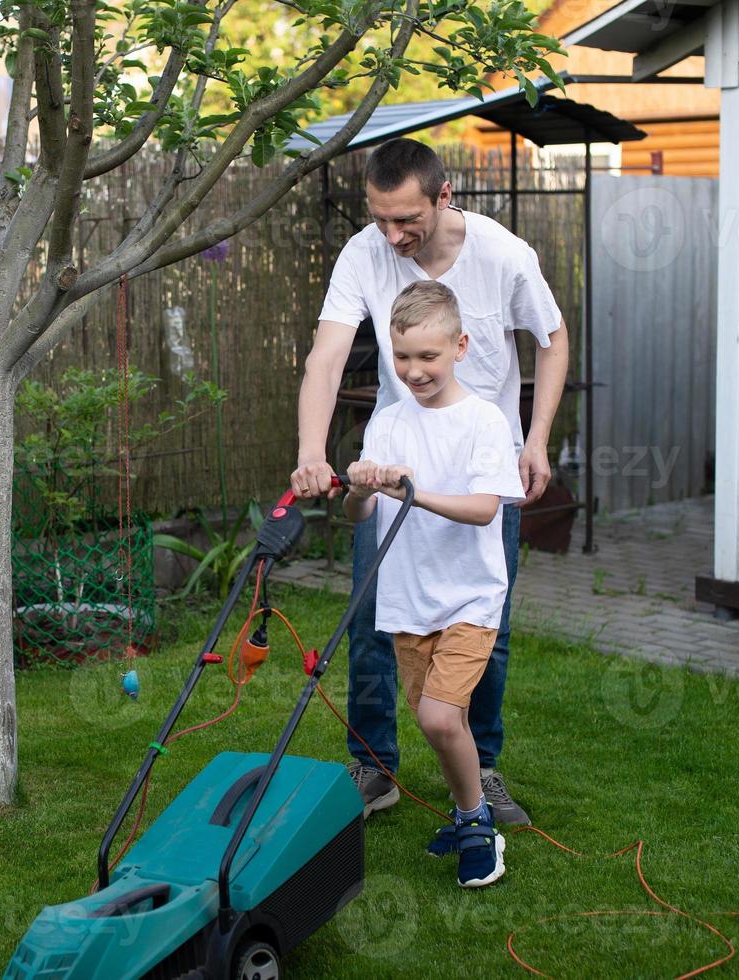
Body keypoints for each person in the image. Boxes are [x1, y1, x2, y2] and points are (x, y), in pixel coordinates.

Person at [291, 138, 568, 825]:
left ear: (445, 197)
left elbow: (552, 337)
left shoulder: (501, 254)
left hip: (482, 463)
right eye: (379, 218)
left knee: (483, 626)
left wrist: (535, 439)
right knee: (372, 616)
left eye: (405, 219)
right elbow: (326, 356)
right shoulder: (364, 253)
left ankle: (482, 771)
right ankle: (374, 767)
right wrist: (310, 448)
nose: (391, 235)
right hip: (397, 462)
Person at [343, 280, 524, 887]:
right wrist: (361, 487)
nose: (414, 370)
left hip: (471, 596)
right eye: (402, 357)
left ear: (461, 347)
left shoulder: (484, 423)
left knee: (441, 719)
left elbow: (483, 509)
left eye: (428, 356)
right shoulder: (388, 424)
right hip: (409, 600)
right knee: (437, 718)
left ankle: (478, 825)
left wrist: (410, 492)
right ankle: (463, 809)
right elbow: (357, 516)